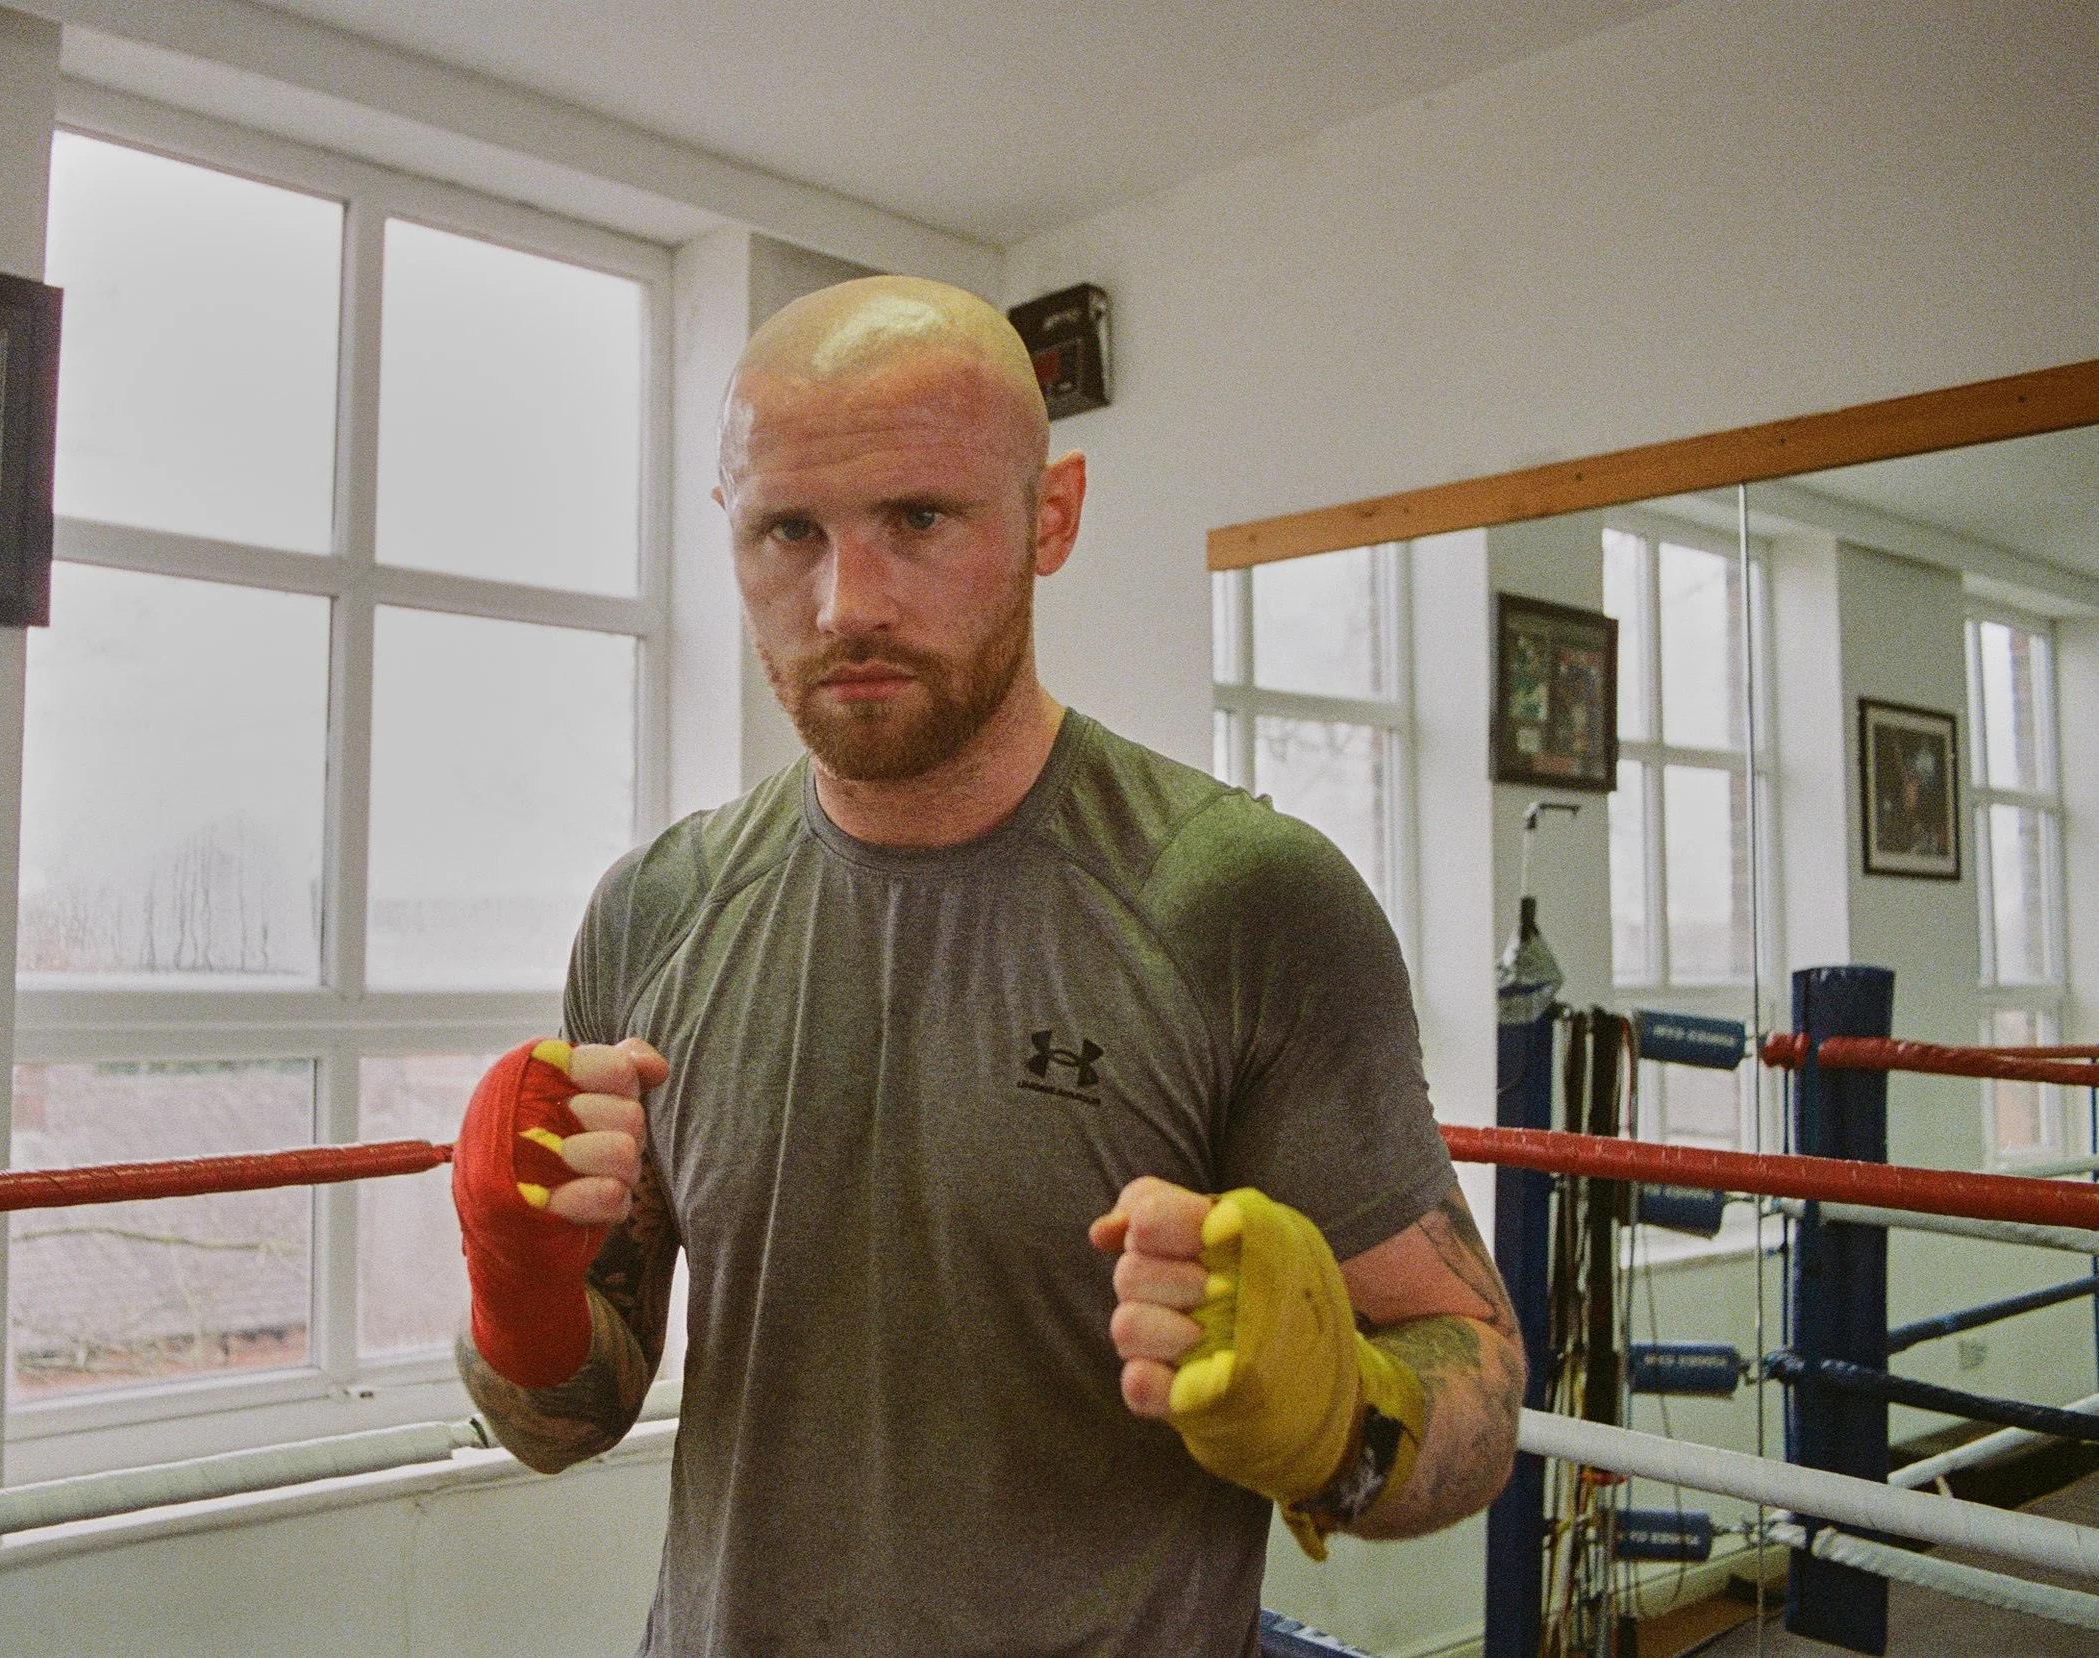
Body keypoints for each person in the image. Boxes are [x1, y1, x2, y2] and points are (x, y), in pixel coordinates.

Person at [451, 276, 1525, 1656]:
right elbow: (572, 1416)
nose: (848, 601)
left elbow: (1476, 1381)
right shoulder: (656, 911)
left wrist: (1340, 1420)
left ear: (1050, 516)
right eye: (790, 529)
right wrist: (512, 1291)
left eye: (919, 518)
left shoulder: (1240, 900)